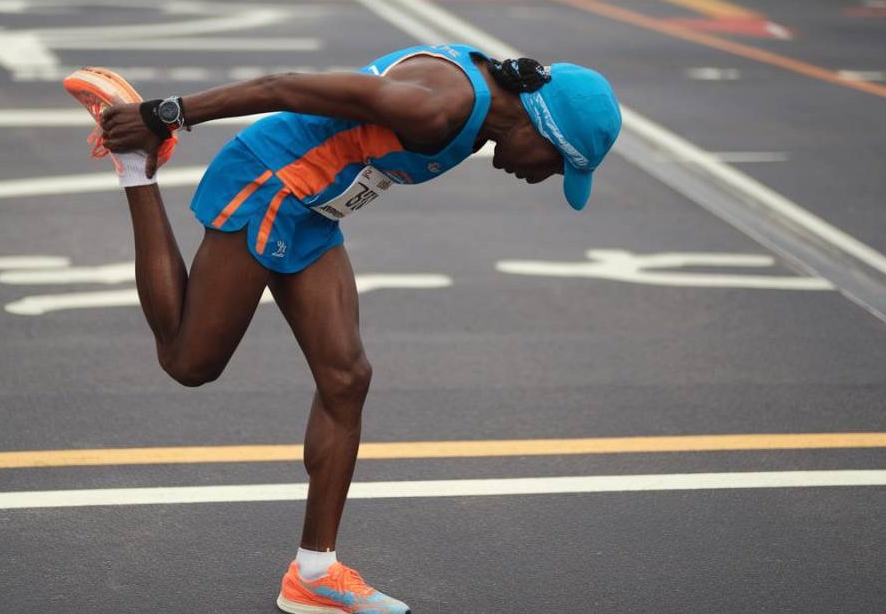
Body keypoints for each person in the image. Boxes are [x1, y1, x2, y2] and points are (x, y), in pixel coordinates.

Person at [64, 43, 621, 614]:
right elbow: (284, 86)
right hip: (271, 181)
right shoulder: (434, 107)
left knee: (347, 378)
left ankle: (313, 573)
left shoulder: (481, 118)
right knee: (190, 364)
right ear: (541, 126)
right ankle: (136, 168)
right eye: (557, 164)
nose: (544, 177)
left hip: (316, 207)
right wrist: (166, 115)